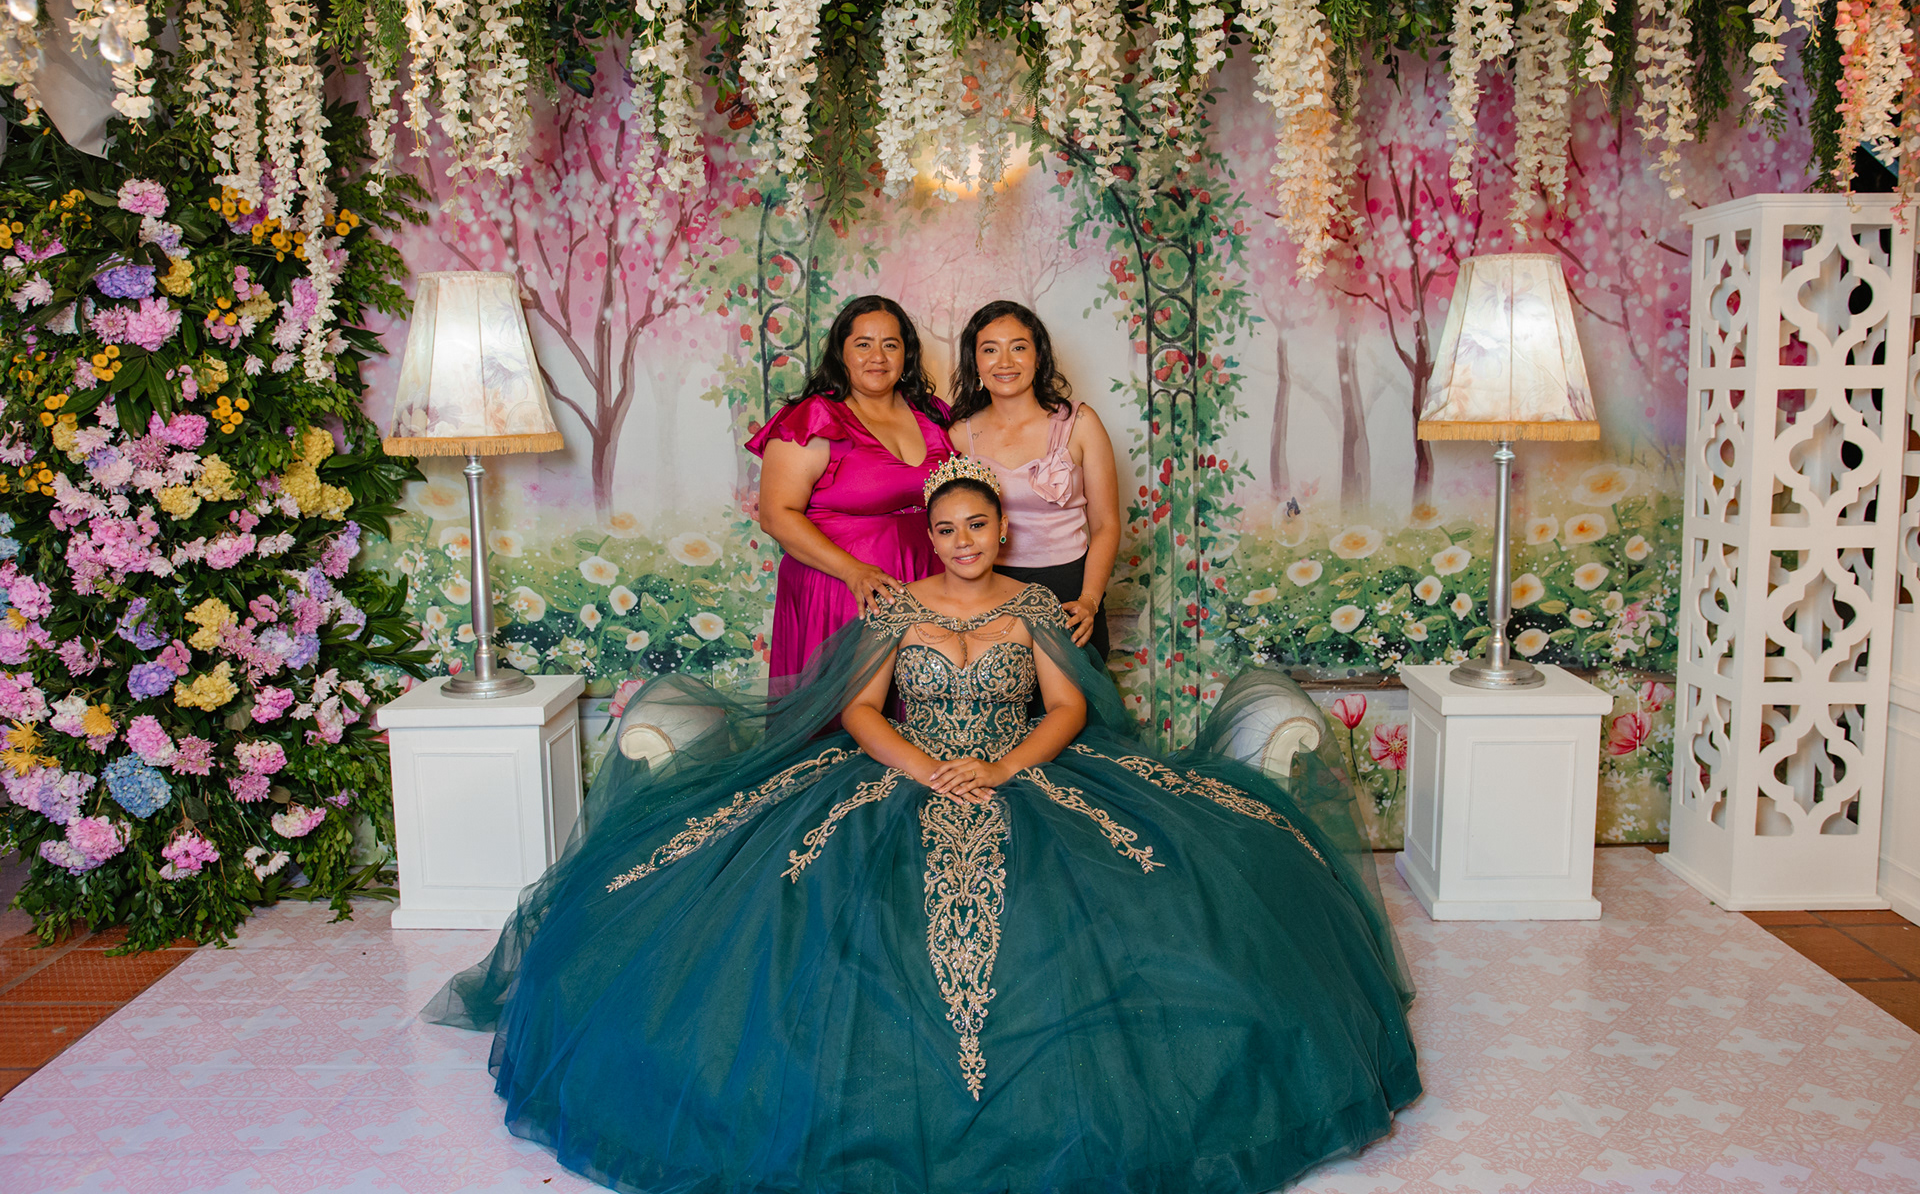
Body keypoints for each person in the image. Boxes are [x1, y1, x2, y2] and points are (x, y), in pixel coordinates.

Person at [428, 456, 1421, 1194]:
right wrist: (924, 766)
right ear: (933, 536)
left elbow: (1068, 707)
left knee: (1155, 903)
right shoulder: (894, 610)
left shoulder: (1036, 610)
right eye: (947, 528)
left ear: (1000, 528)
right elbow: (861, 711)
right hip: (905, 772)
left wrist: (1001, 766)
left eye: (977, 524)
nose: (963, 540)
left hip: (1020, 769)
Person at [747, 294, 953, 691]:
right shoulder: (814, 417)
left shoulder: (933, 414)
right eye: (863, 344)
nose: (878, 357)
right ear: (841, 353)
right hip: (842, 589)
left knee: (921, 709)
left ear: (907, 354)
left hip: (926, 584)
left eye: (890, 345)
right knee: (846, 706)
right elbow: (775, 514)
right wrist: (852, 571)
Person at [948, 300, 1119, 658]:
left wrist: (1089, 600)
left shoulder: (1080, 424)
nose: (1005, 362)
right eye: (990, 350)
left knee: (1075, 691)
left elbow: (1106, 525)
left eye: (1018, 348)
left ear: (1038, 357)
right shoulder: (958, 435)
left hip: (1070, 589)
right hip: (987, 589)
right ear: (975, 362)